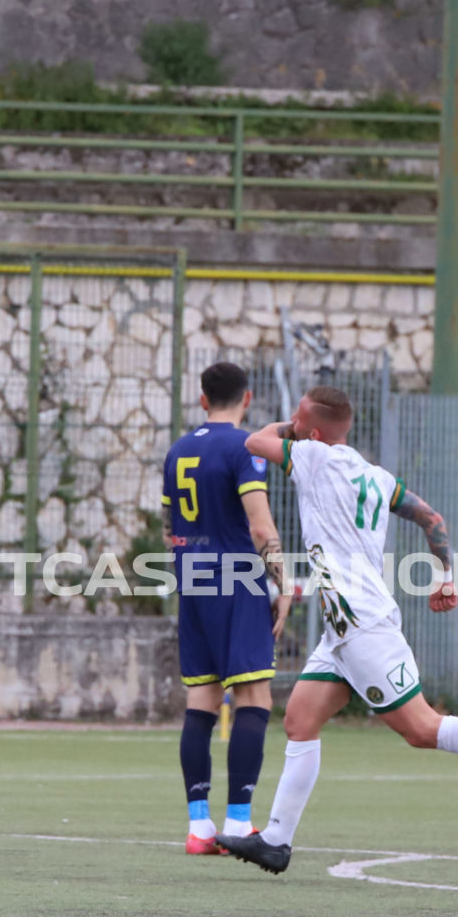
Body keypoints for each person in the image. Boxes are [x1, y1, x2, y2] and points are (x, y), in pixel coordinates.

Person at [218, 384, 458, 875]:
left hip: (363, 625)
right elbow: (431, 518)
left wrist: (291, 429)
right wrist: (446, 574)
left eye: (299, 417)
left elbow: (255, 441)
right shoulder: (377, 476)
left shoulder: (315, 456)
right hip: (341, 631)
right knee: (300, 720)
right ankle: (276, 841)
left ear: (314, 433)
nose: (292, 423)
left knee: (422, 729)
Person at [160, 363, 293, 855]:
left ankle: (199, 828)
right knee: (254, 696)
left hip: (192, 579)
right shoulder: (244, 448)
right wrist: (283, 584)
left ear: (202, 399)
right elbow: (260, 526)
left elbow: (169, 526)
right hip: (236, 580)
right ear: (247, 398)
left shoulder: (177, 450)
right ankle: (238, 823)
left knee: (202, 701)